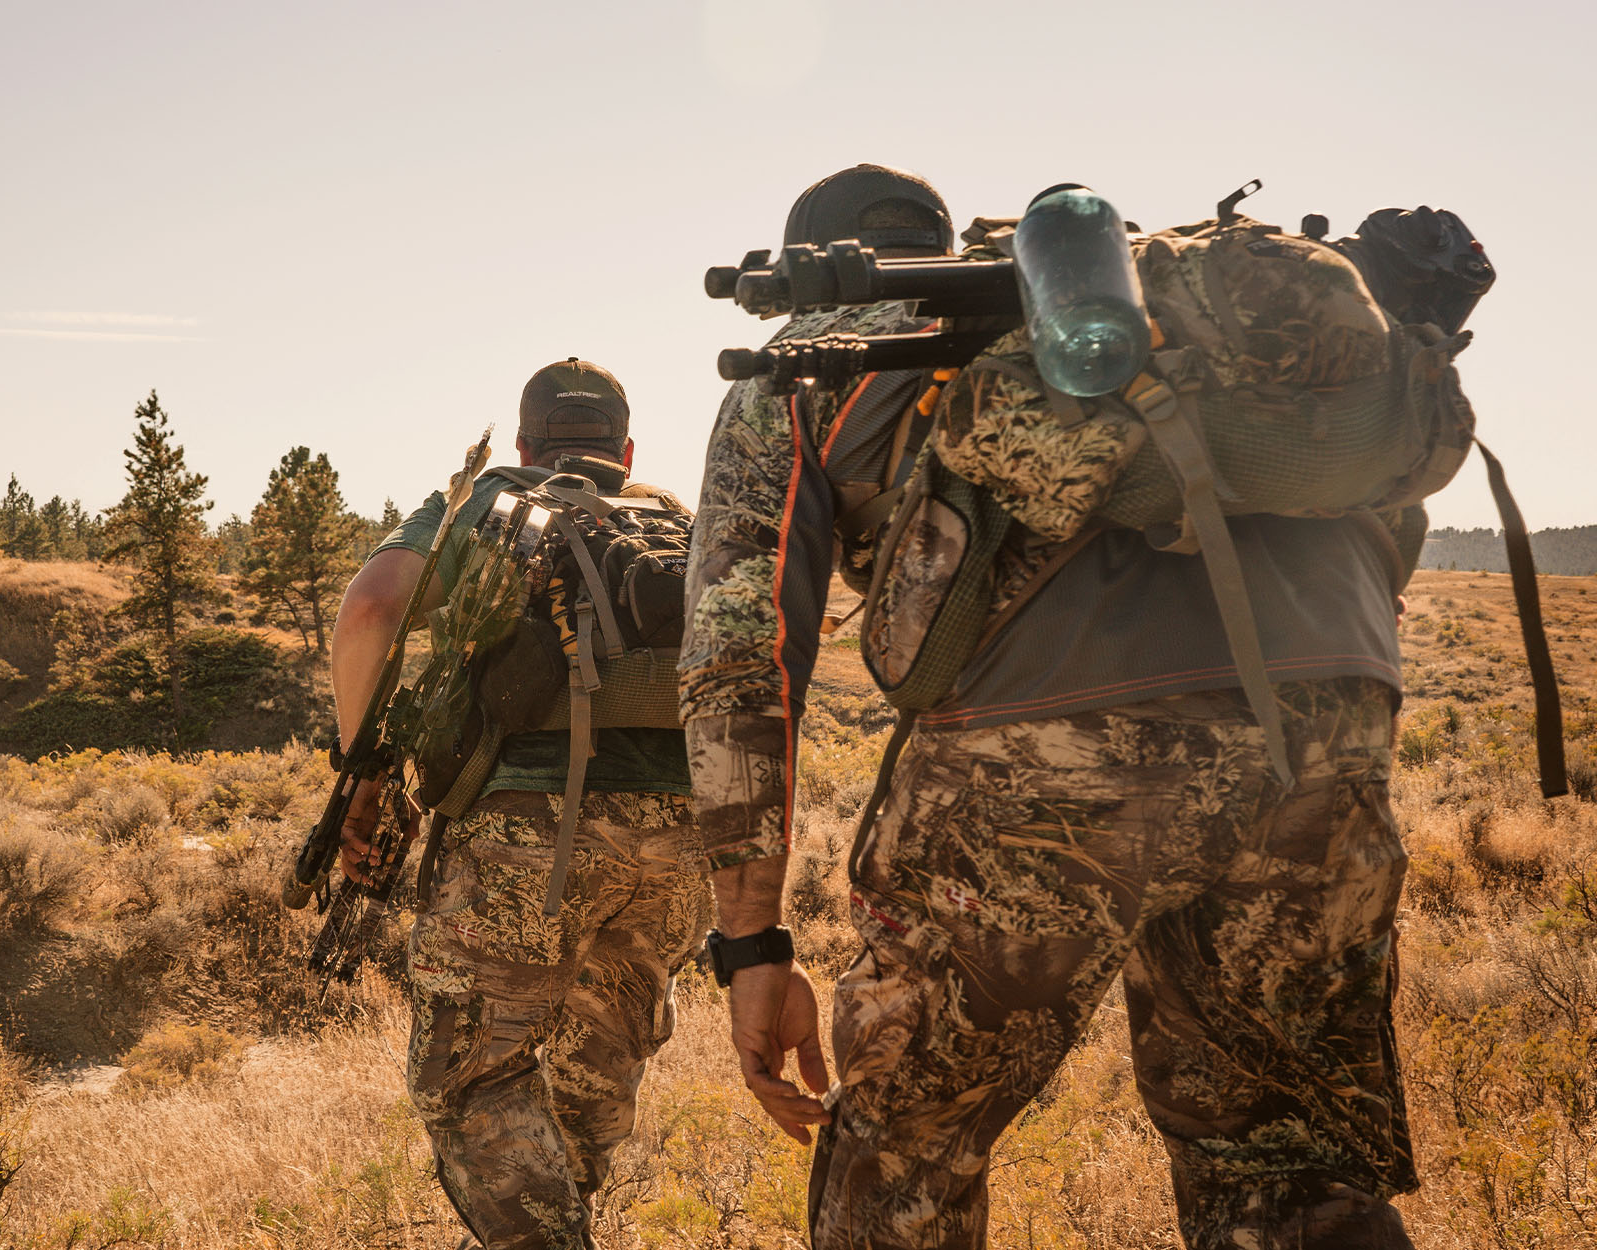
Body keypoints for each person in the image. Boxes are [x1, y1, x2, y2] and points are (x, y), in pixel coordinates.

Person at [680, 182, 1421, 1247]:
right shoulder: (1141, 322)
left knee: (904, 1152)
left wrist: (750, 945)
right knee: (1288, 1163)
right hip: (1327, 718)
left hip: (1047, 745)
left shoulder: (821, 350)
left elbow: (740, 662)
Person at [334, 358, 712, 1250]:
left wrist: (364, 771)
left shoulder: (485, 501)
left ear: (523, 443)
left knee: (466, 1082)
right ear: (625, 447)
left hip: (528, 834)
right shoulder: (678, 523)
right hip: (685, 838)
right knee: (596, 1068)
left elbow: (371, 610)